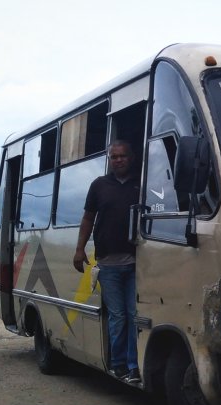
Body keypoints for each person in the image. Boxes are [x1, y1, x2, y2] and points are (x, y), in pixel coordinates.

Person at [73, 141, 141, 384]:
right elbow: (88, 218)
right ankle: (119, 364)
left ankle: (135, 367)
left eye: (122, 156)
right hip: (108, 265)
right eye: (114, 157)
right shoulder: (99, 185)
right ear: (109, 160)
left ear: (130, 158)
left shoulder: (140, 184)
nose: (118, 160)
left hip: (136, 263)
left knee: (135, 316)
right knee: (118, 316)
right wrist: (79, 249)